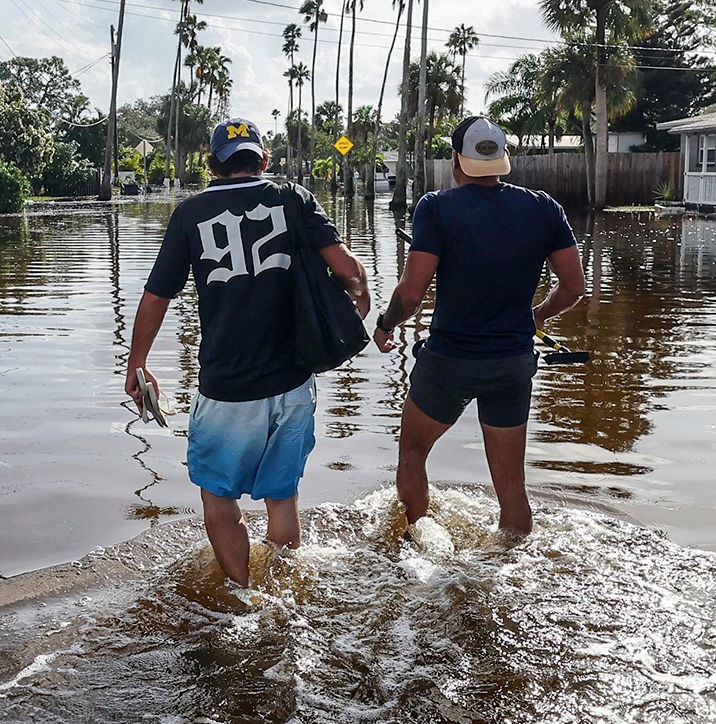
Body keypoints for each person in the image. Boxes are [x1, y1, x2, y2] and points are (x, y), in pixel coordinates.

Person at [128, 118, 371, 586]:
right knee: (283, 497)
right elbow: (347, 268)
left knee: (219, 499)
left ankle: (243, 599)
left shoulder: (190, 214)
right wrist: (359, 295)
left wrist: (138, 362)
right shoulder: (292, 198)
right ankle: (283, 592)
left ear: (212, 164)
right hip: (293, 381)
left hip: (227, 387)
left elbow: (157, 296)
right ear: (264, 159)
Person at [373, 116, 587, 537]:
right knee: (512, 489)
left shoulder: (435, 208)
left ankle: (420, 546)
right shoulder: (544, 208)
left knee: (413, 453)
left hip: (449, 362)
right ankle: (513, 560)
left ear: (457, 160)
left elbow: (411, 294)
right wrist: (537, 316)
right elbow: (575, 286)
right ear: (505, 158)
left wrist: (385, 325)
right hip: (511, 364)